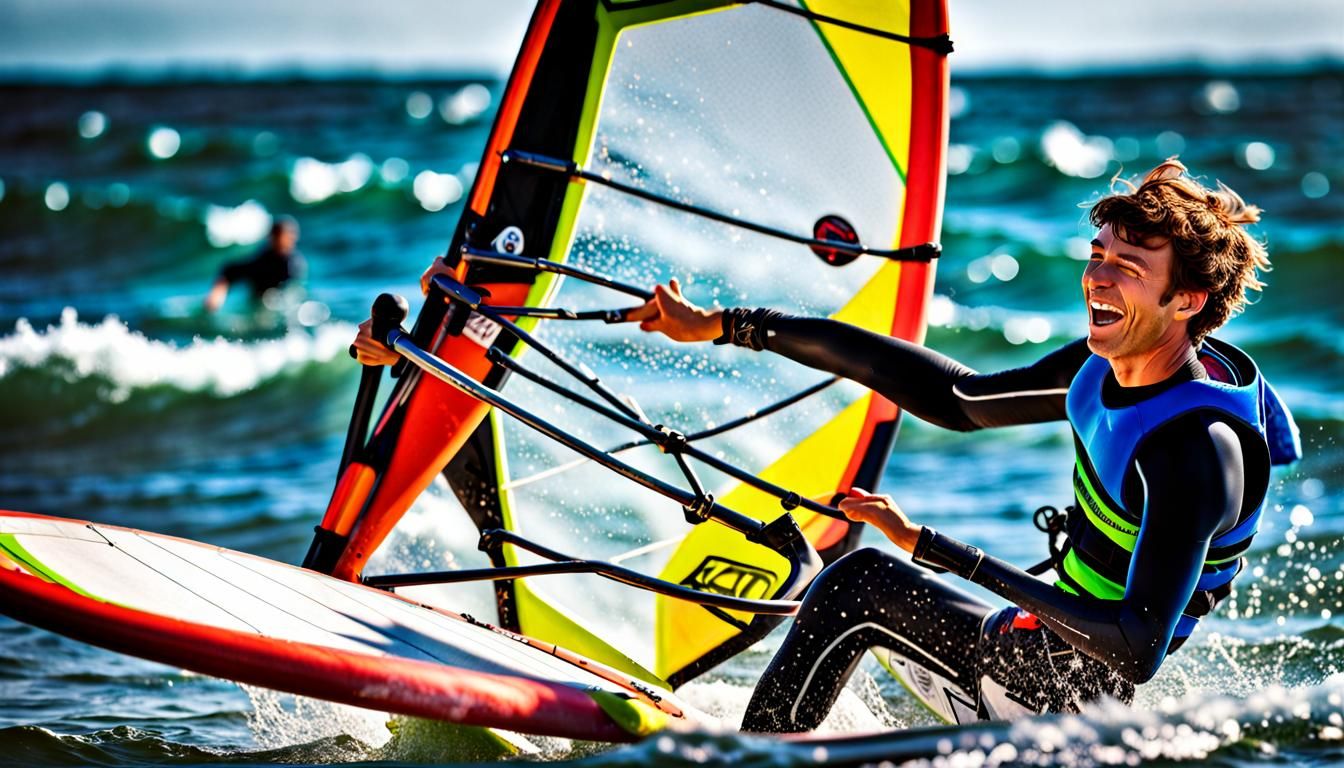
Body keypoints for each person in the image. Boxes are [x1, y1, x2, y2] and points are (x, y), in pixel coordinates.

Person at [622, 159, 1299, 728]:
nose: (1098, 276)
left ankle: (751, 760)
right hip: (1027, 649)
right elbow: (954, 399)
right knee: (857, 582)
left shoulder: (1193, 451)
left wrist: (944, 552)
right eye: (1098, 255)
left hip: (1064, 705)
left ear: (1187, 300)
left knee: (854, 584)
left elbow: (1135, 649)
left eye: (1128, 265)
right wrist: (732, 325)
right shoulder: (1104, 368)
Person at [204, 216, 305, 312]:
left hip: (282, 307)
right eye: (277, 236)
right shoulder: (263, 261)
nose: (282, 241)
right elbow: (230, 270)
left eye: (288, 237)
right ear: (271, 237)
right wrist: (218, 292)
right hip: (259, 306)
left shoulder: (295, 264)